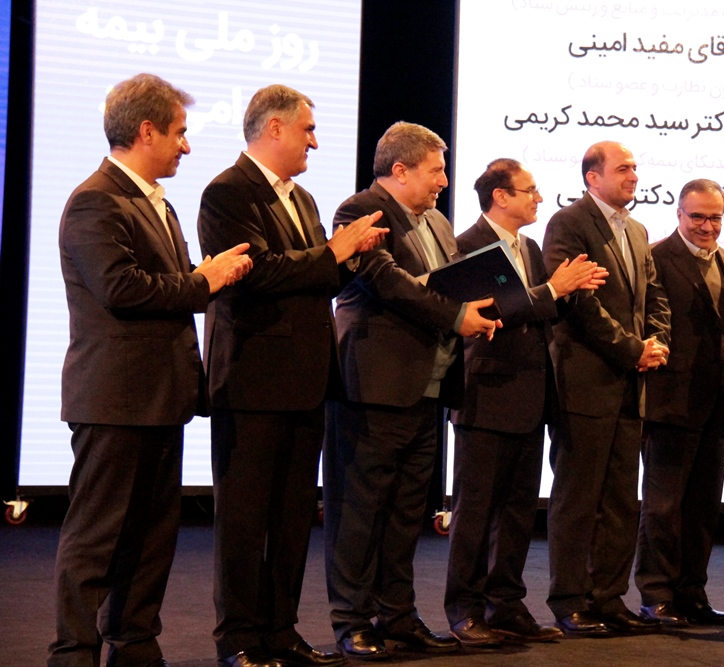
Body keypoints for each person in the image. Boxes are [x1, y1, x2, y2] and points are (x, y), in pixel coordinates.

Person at [51, 73, 252, 667]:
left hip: (161, 397)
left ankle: (133, 642)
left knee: (151, 533)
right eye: (179, 133)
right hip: (114, 400)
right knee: (97, 535)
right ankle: (73, 652)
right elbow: (121, 289)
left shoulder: (153, 202)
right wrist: (203, 281)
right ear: (146, 131)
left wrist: (207, 277)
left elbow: (167, 285)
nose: (186, 146)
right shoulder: (95, 200)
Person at [198, 84, 385, 667]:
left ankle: (280, 631)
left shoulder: (301, 198)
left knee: (290, 518)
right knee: (244, 519)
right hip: (251, 383)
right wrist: (334, 253)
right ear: (274, 127)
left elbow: (314, 279)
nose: (315, 142)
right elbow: (254, 274)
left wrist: (348, 257)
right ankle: (238, 638)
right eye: (308, 130)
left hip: (305, 381)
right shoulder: (227, 192)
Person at [323, 121, 498, 659]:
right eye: (436, 170)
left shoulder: (439, 222)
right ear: (399, 170)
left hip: (427, 386)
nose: (444, 180)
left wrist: (490, 302)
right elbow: (390, 285)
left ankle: (397, 616)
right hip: (374, 386)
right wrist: (459, 316)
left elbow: (452, 284)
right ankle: (352, 621)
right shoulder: (360, 211)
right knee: (359, 511)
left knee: (404, 514)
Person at [445, 159, 607, 647]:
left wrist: (568, 291)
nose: (539, 198)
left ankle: (507, 604)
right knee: (476, 512)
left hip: (532, 395)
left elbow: (540, 311)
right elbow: (495, 313)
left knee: (518, 511)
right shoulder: (468, 245)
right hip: (486, 396)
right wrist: (554, 288)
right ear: (500, 196)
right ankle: (465, 609)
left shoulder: (530, 247)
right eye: (529, 190)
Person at [541, 141, 671, 637]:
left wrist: (656, 341)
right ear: (593, 178)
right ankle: (570, 600)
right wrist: (631, 349)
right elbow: (579, 303)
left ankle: (609, 597)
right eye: (623, 169)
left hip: (630, 385)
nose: (633, 176)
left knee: (620, 500)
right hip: (585, 384)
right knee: (577, 499)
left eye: (635, 168)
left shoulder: (636, 230)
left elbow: (654, 293)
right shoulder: (568, 223)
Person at [634, 178, 724, 627]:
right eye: (697, 216)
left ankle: (692, 593)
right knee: (662, 507)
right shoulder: (655, 258)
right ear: (678, 214)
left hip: (717, 403)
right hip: (669, 402)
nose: (706, 226)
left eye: (715, 217)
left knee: (703, 508)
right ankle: (656, 595)